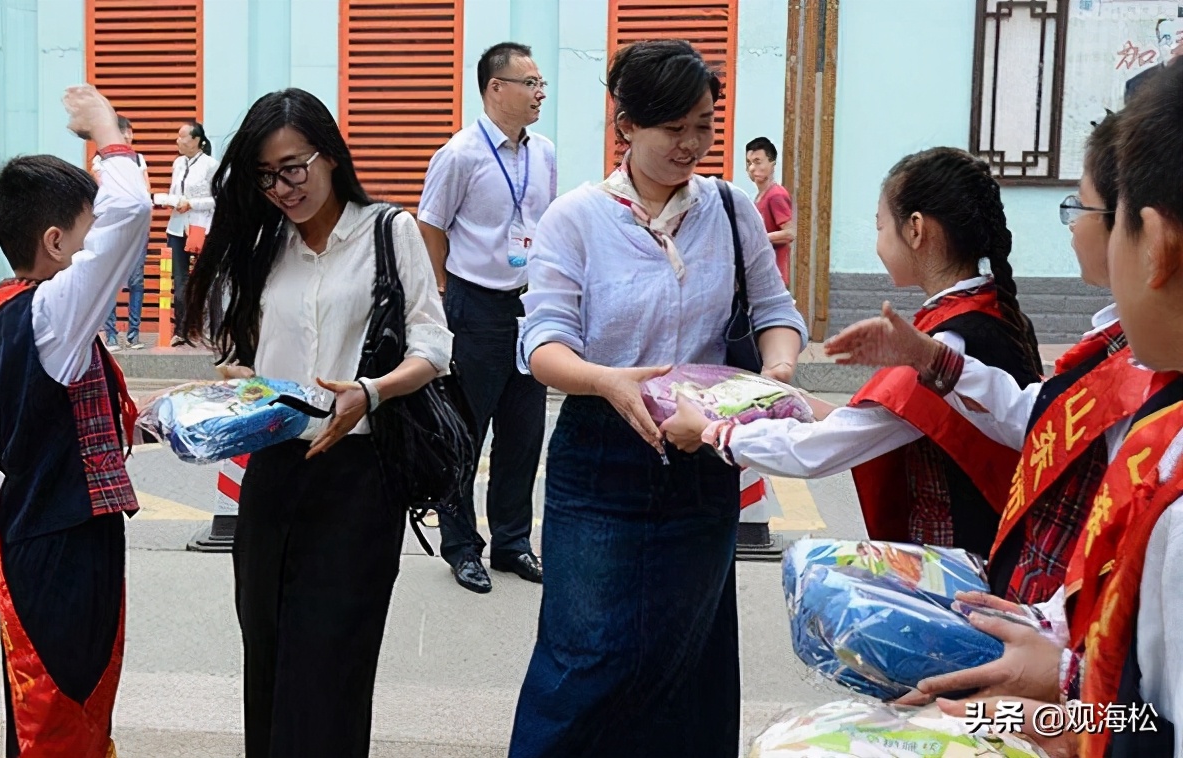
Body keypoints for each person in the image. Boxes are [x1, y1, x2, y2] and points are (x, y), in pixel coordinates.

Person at [827, 63, 1183, 758]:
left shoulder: (1167, 466)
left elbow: (1145, 727)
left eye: (1082, 212)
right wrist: (1059, 670)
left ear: (1155, 243)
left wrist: (1040, 719)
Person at [508, 40, 807, 757]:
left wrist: (777, 373)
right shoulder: (575, 219)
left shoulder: (732, 212)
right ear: (626, 126)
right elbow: (542, 345)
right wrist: (606, 380)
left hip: (701, 454)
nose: (692, 144)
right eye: (673, 127)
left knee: (689, 660)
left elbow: (776, 311)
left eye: (704, 125)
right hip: (599, 454)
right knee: (584, 657)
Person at [183, 88, 452, 758]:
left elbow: (433, 348)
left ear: (330, 155)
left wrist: (371, 391)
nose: (282, 188)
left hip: (360, 478)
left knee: (331, 664)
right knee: (268, 652)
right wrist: (230, 396)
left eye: (293, 168)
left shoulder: (389, 230)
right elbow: (250, 358)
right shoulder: (265, 244)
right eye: (266, 176)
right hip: (274, 470)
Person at [665, 147, 1043, 559]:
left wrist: (715, 431)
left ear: (915, 230)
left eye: (881, 225)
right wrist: (788, 401)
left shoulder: (949, 340)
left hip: (967, 562)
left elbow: (821, 448)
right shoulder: (990, 310)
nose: (877, 240)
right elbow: (886, 420)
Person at [0, 85, 151, 757]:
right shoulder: (50, 312)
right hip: (61, 548)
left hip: (59, 536)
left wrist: (163, 422)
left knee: (74, 709)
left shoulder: (20, 312)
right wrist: (105, 128)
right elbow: (132, 206)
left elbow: (64, 419)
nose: (105, 254)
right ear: (55, 243)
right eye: (88, 234)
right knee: (62, 716)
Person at [417, 41, 556, 593]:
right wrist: (443, 294)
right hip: (474, 307)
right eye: (531, 83)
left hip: (530, 307)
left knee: (523, 433)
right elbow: (430, 224)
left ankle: (513, 543)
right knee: (464, 435)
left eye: (541, 83)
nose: (540, 93)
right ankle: (461, 547)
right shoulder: (460, 154)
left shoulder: (544, 151)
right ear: (496, 88)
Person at [94, 114, 151, 352]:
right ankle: (112, 335)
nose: (128, 136)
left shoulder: (138, 159)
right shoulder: (101, 159)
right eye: (124, 132)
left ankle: (133, 335)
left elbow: (146, 188)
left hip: (136, 226)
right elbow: (103, 187)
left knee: (136, 281)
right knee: (110, 280)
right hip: (113, 226)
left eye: (130, 132)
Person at [159, 120, 217, 346]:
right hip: (177, 227)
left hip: (200, 227)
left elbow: (216, 199)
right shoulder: (178, 163)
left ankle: (206, 328)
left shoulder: (211, 165)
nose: (178, 141)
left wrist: (191, 203)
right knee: (180, 279)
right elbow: (174, 192)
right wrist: (171, 201)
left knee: (205, 279)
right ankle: (181, 330)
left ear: (196, 141)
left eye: (183, 137)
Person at [745, 136, 794, 284]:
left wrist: (759, 238)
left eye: (758, 162)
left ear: (772, 164)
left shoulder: (776, 195)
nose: (752, 168)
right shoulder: (760, 197)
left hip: (774, 276)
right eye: (749, 163)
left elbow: (790, 233)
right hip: (762, 273)